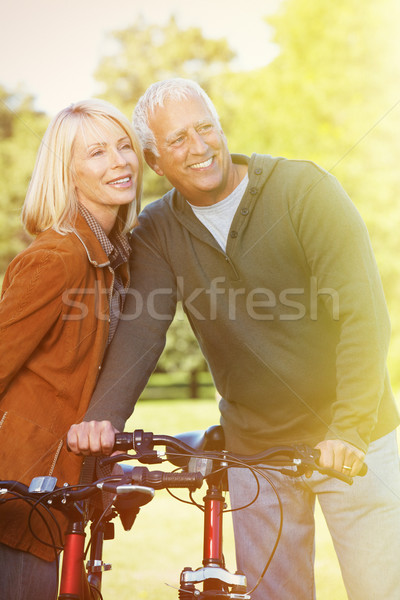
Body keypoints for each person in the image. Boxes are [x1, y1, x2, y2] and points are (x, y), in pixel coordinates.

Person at [67, 78, 400, 599]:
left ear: (220, 128)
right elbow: (141, 332)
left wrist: (350, 428)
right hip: (257, 451)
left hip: (356, 439)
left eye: (205, 128)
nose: (199, 147)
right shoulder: (158, 230)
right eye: (177, 140)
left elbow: (363, 315)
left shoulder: (303, 190)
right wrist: (103, 419)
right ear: (155, 162)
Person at [0, 98, 143, 600]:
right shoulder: (59, 257)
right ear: (69, 173)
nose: (120, 162)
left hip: (61, 483)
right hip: (18, 488)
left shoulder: (110, 256)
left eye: (124, 146)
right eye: (98, 153)